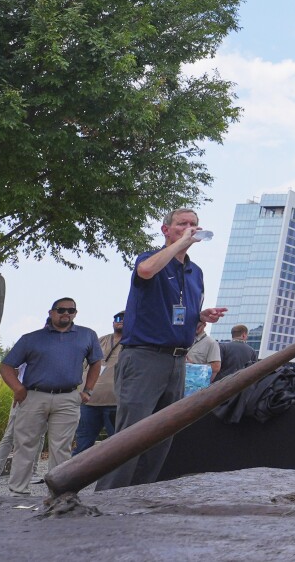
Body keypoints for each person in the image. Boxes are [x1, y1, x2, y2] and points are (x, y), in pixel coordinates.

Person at [97, 207, 226, 491]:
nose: (190, 228)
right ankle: (106, 497)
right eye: (182, 224)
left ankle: (139, 494)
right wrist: (180, 244)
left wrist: (201, 316)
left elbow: (180, 313)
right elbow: (145, 272)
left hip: (177, 360)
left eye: (194, 224)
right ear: (166, 230)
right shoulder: (150, 259)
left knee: (163, 434)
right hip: (144, 357)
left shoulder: (195, 272)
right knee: (132, 433)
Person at [0, 298, 103, 495]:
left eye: (71, 310)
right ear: (51, 312)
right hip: (33, 396)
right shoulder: (31, 338)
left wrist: (88, 390)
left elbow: (96, 363)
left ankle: (59, 493)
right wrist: (18, 389)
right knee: (25, 444)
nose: (66, 313)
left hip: (68, 397)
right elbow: (6, 366)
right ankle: (18, 491)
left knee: (61, 448)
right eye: (61, 310)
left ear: (75, 313)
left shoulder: (87, 335)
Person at [73, 311, 123, 456]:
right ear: (113, 322)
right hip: (89, 403)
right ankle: (78, 470)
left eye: (125, 319)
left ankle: (115, 471)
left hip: (115, 403)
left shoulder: (134, 344)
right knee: (82, 445)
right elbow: (82, 365)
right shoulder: (101, 341)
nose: (120, 321)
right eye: (117, 318)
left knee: (117, 446)